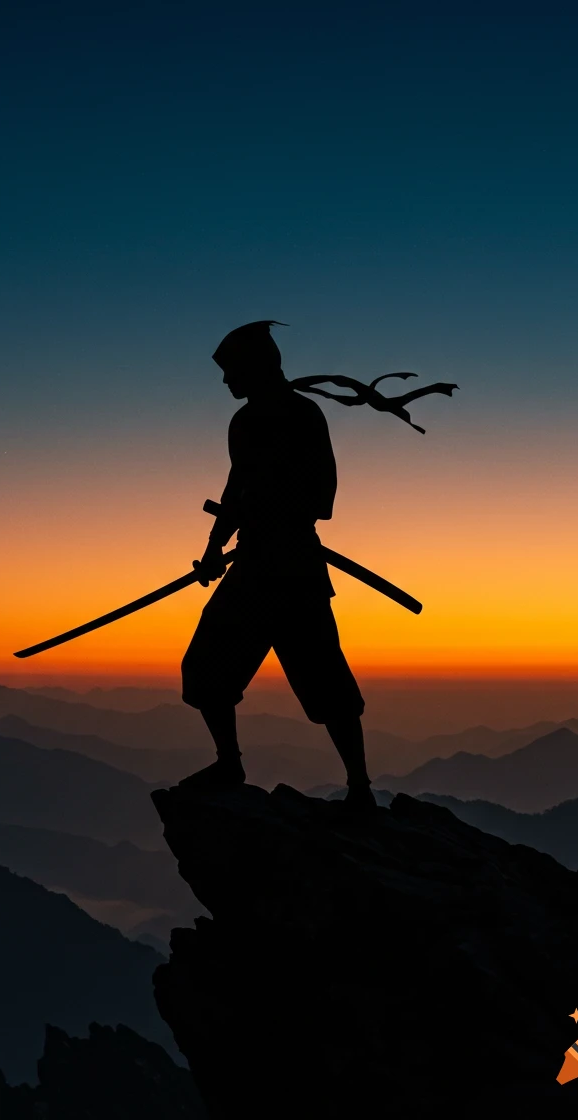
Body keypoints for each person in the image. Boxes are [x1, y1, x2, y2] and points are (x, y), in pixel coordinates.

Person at [180, 320, 375, 809]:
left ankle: (360, 788)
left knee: (326, 682)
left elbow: (321, 500)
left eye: (231, 372)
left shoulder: (303, 416)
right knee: (204, 671)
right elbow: (233, 491)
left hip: (294, 572)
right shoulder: (243, 424)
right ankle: (229, 763)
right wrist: (212, 548)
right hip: (251, 568)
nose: (226, 382)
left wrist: (266, 508)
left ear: (256, 368)